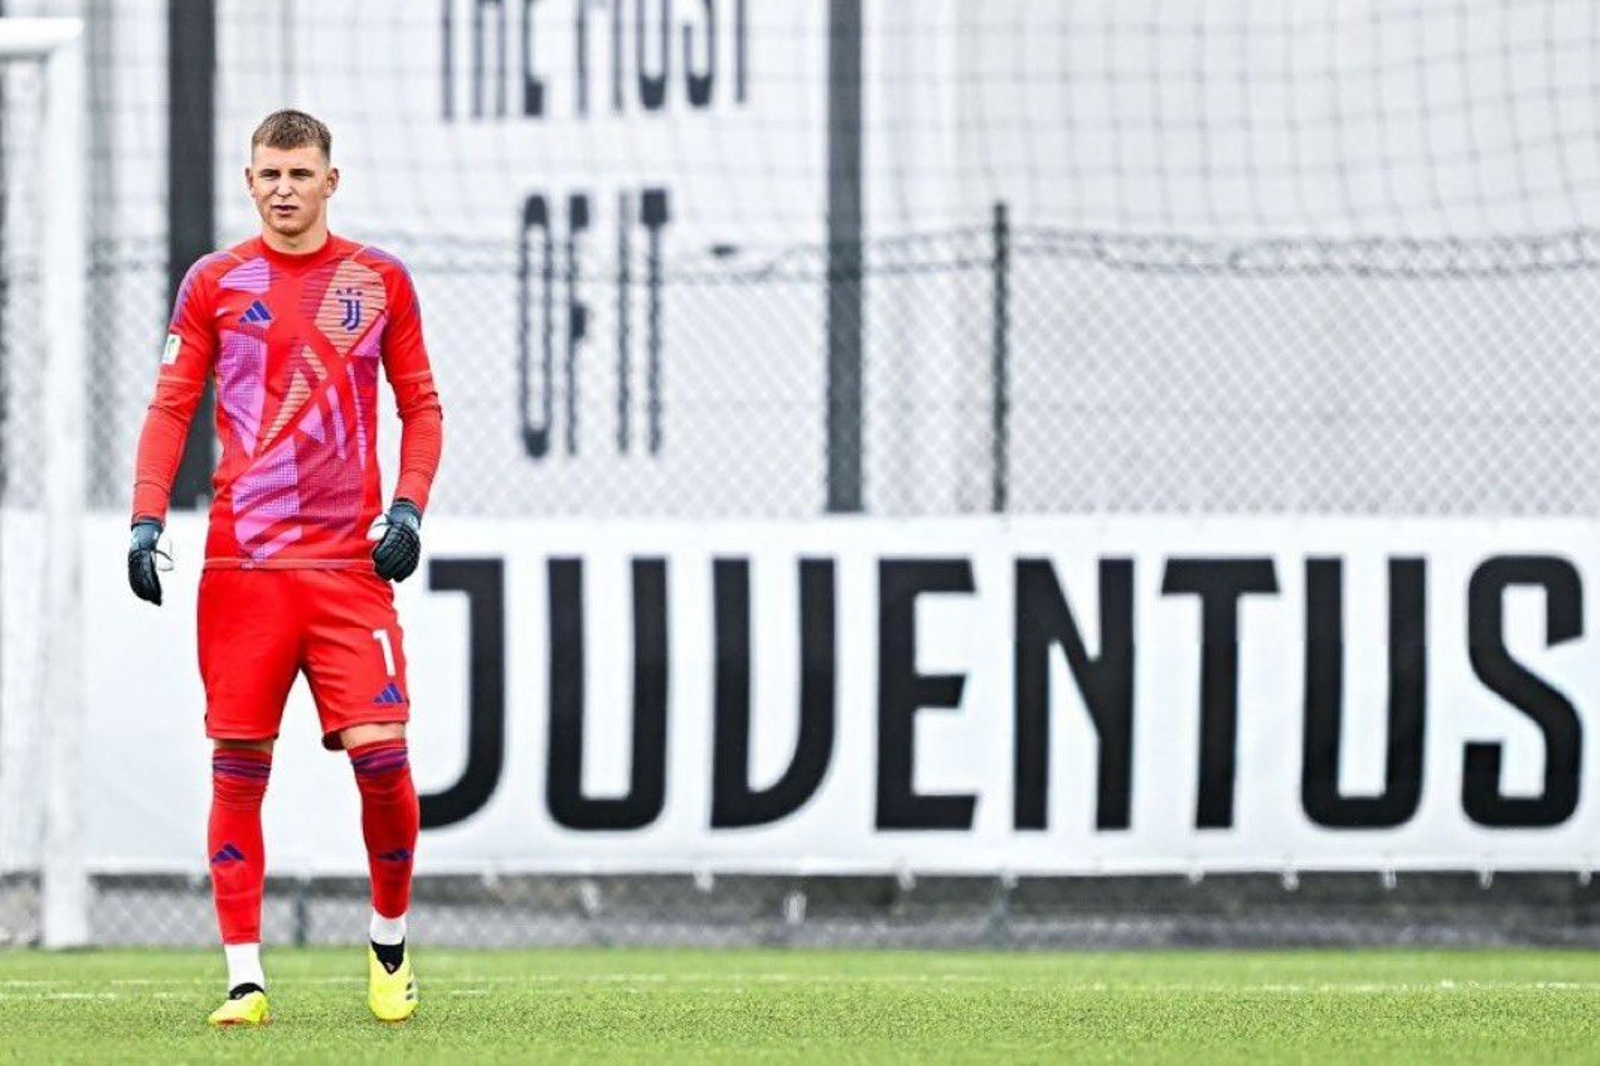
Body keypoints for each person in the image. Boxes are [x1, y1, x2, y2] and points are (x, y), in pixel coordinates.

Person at [126, 109, 443, 1027]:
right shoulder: (215, 283)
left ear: (330, 182)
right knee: (237, 765)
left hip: (348, 566)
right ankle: (244, 979)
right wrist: (147, 519)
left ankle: (388, 947)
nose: (284, 188)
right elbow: (171, 403)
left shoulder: (377, 281)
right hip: (243, 565)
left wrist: (410, 507)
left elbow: (421, 406)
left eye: (300, 173)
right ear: (250, 180)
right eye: (269, 173)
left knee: (384, 761)